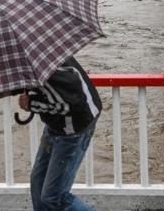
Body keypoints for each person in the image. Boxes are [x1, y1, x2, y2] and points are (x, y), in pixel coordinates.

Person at [19, 56, 102, 211]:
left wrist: (30, 103)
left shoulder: (44, 67)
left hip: (73, 130)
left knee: (54, 197)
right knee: (38, 182)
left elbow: (66, 105)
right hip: (56, 126)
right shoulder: (39, 52)